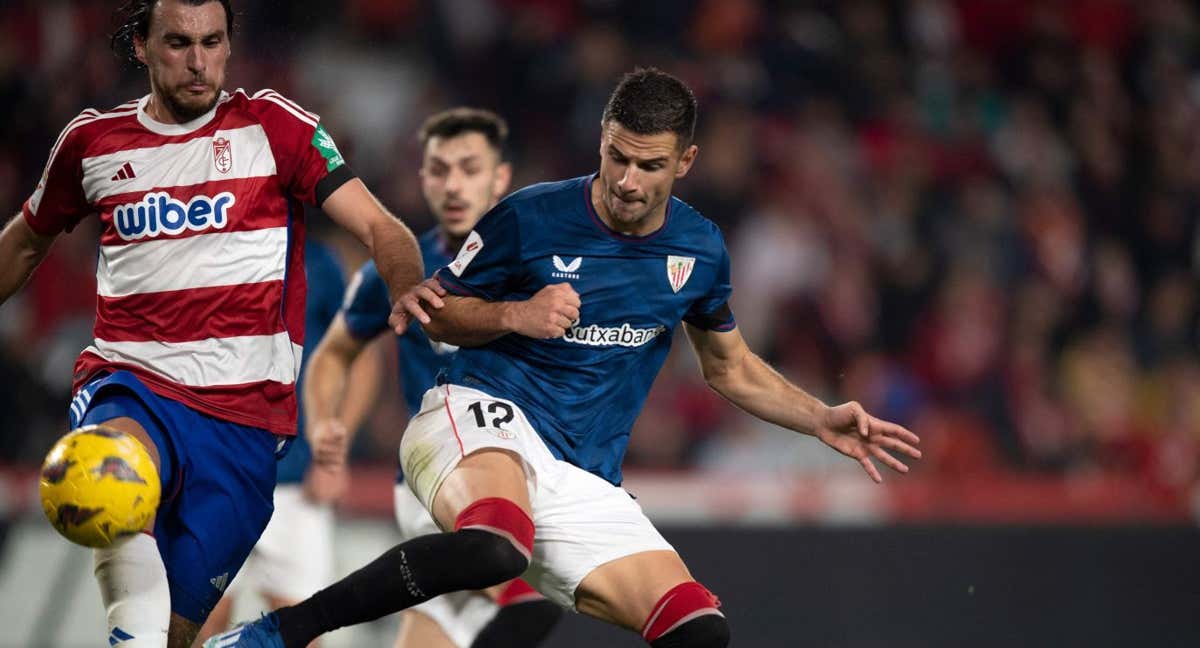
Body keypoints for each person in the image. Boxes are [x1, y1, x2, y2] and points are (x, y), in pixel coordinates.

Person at [208, 68, 920, 648]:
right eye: (617, 156)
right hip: (479, 417)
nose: (629, 181)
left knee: (698, 630)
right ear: (602, 141)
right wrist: (517, 313)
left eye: (651, 165)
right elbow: (435, 310)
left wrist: (818, 417)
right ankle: (280, 633)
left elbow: (729, 367)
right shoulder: (531, 217)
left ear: (686, 162)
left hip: (581, 475)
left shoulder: (699, 251)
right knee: (496, 546)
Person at [0, 1, 423, 646]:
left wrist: (405, 283)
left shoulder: (276, 127)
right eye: (177, 43)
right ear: (140, 46)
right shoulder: (91, 143)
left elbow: (378, 226)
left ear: (229, 45)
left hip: (244, 425)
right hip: (132, 381)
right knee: (114, 469)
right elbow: (26, 243)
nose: (198, 62)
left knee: (176, 634)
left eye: (212, 42)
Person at [304, 107, 561, 648]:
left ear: (501, 179)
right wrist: (328, 426)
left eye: (469, 169)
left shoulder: (542, 268)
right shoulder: (397, 270)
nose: (453, 185)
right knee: (529, 606)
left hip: (520, 476)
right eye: (439, 170)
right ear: (422, 179)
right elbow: (333, 355)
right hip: (437, 483)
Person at [194, 237, 383, 647]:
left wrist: (334, 453)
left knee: (303, 632)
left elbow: (362, 356)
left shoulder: (317, 261)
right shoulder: (203, 249)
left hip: (296, 483)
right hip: (214, 479)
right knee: (193, 629)